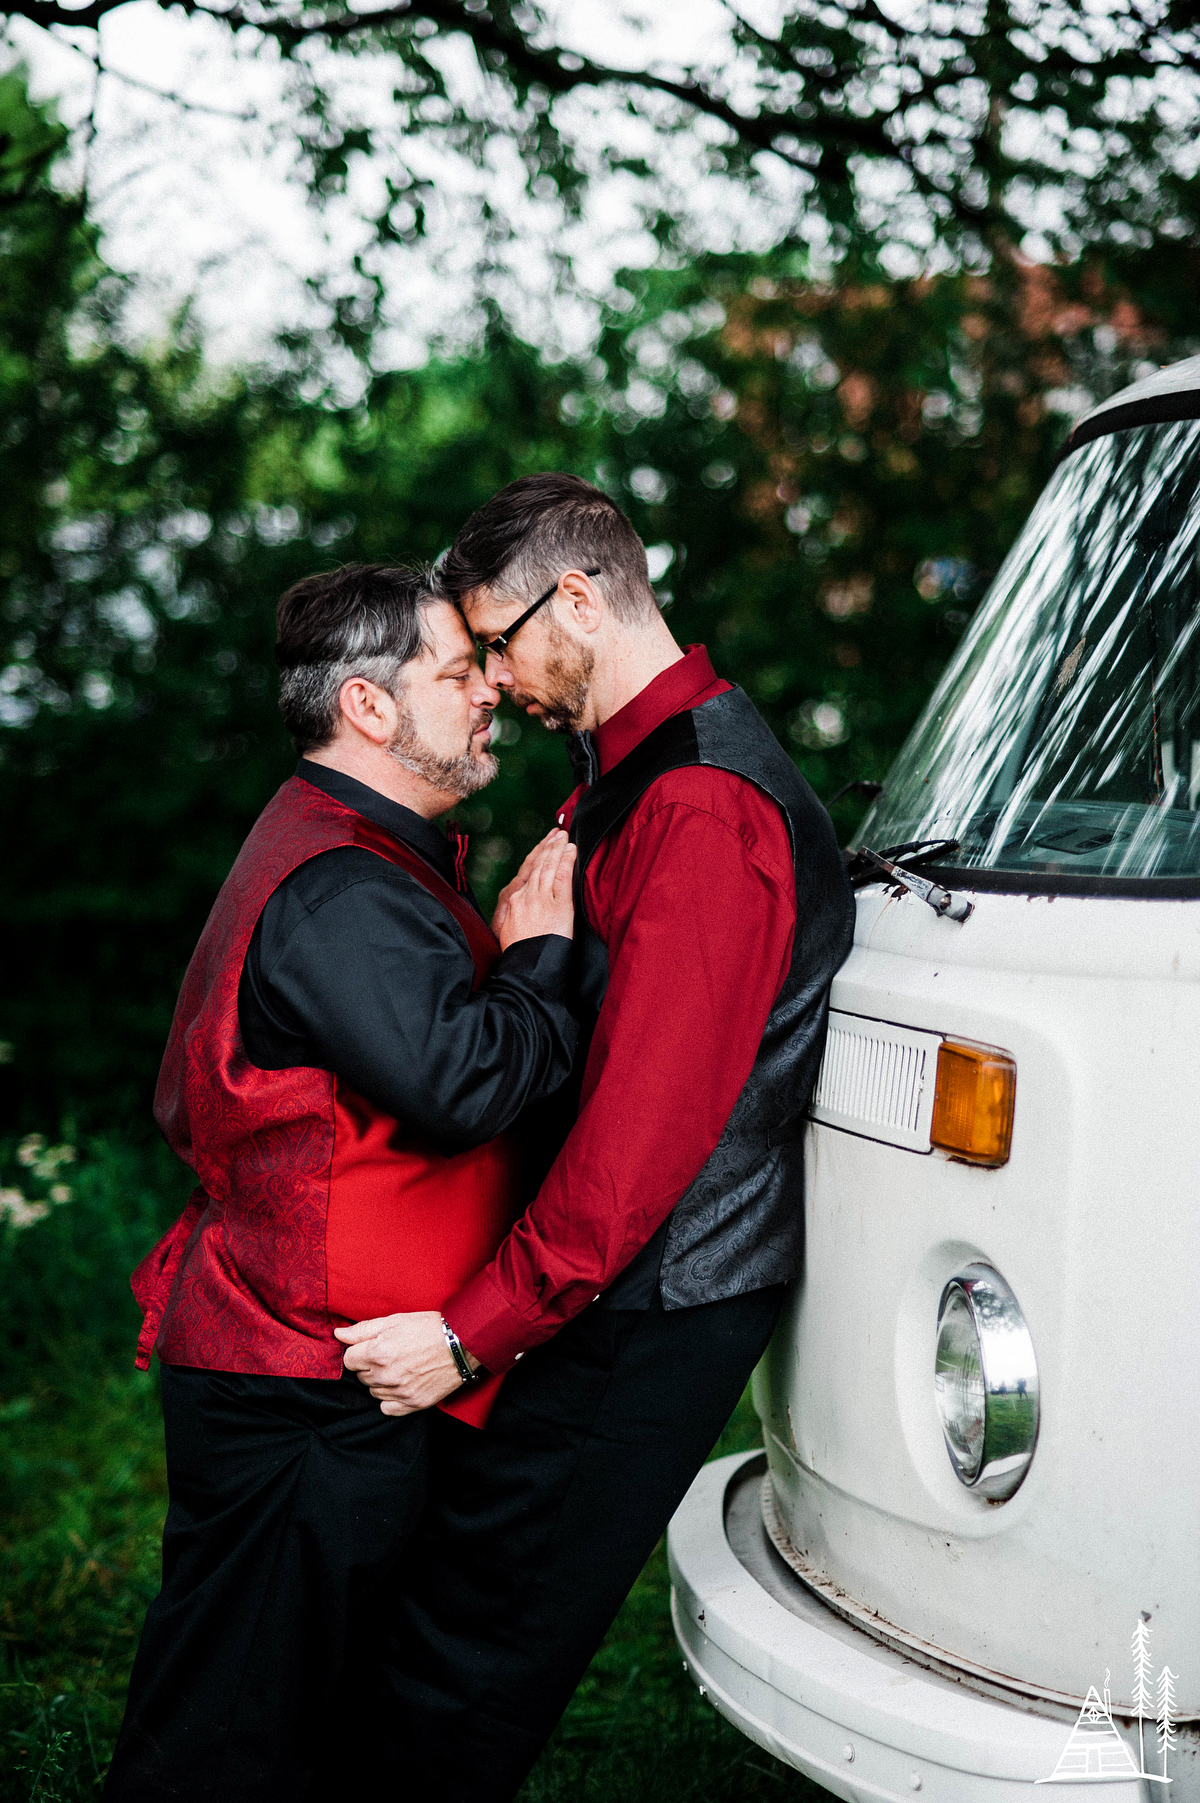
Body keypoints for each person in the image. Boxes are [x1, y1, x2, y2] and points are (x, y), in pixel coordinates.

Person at [336, 475, 856, 1800]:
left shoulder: (700, 808)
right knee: (441, 1615)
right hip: (593, 1282)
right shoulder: (632, 775)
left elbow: (639, 1149)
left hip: (645, 1300)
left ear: (578, 597)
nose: (491, 682)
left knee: (467, 1662)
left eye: (495, 643)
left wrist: (467, 1333)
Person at [104, 563, 579, 1802]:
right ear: (368, 708)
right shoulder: (343, 886)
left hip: (335, 1371)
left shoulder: (362, 855)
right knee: (225, 1734)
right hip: (299, 1384)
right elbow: (464, 1086)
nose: (489, 689)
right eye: (454, 670)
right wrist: (539, 960)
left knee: (303, 1715)